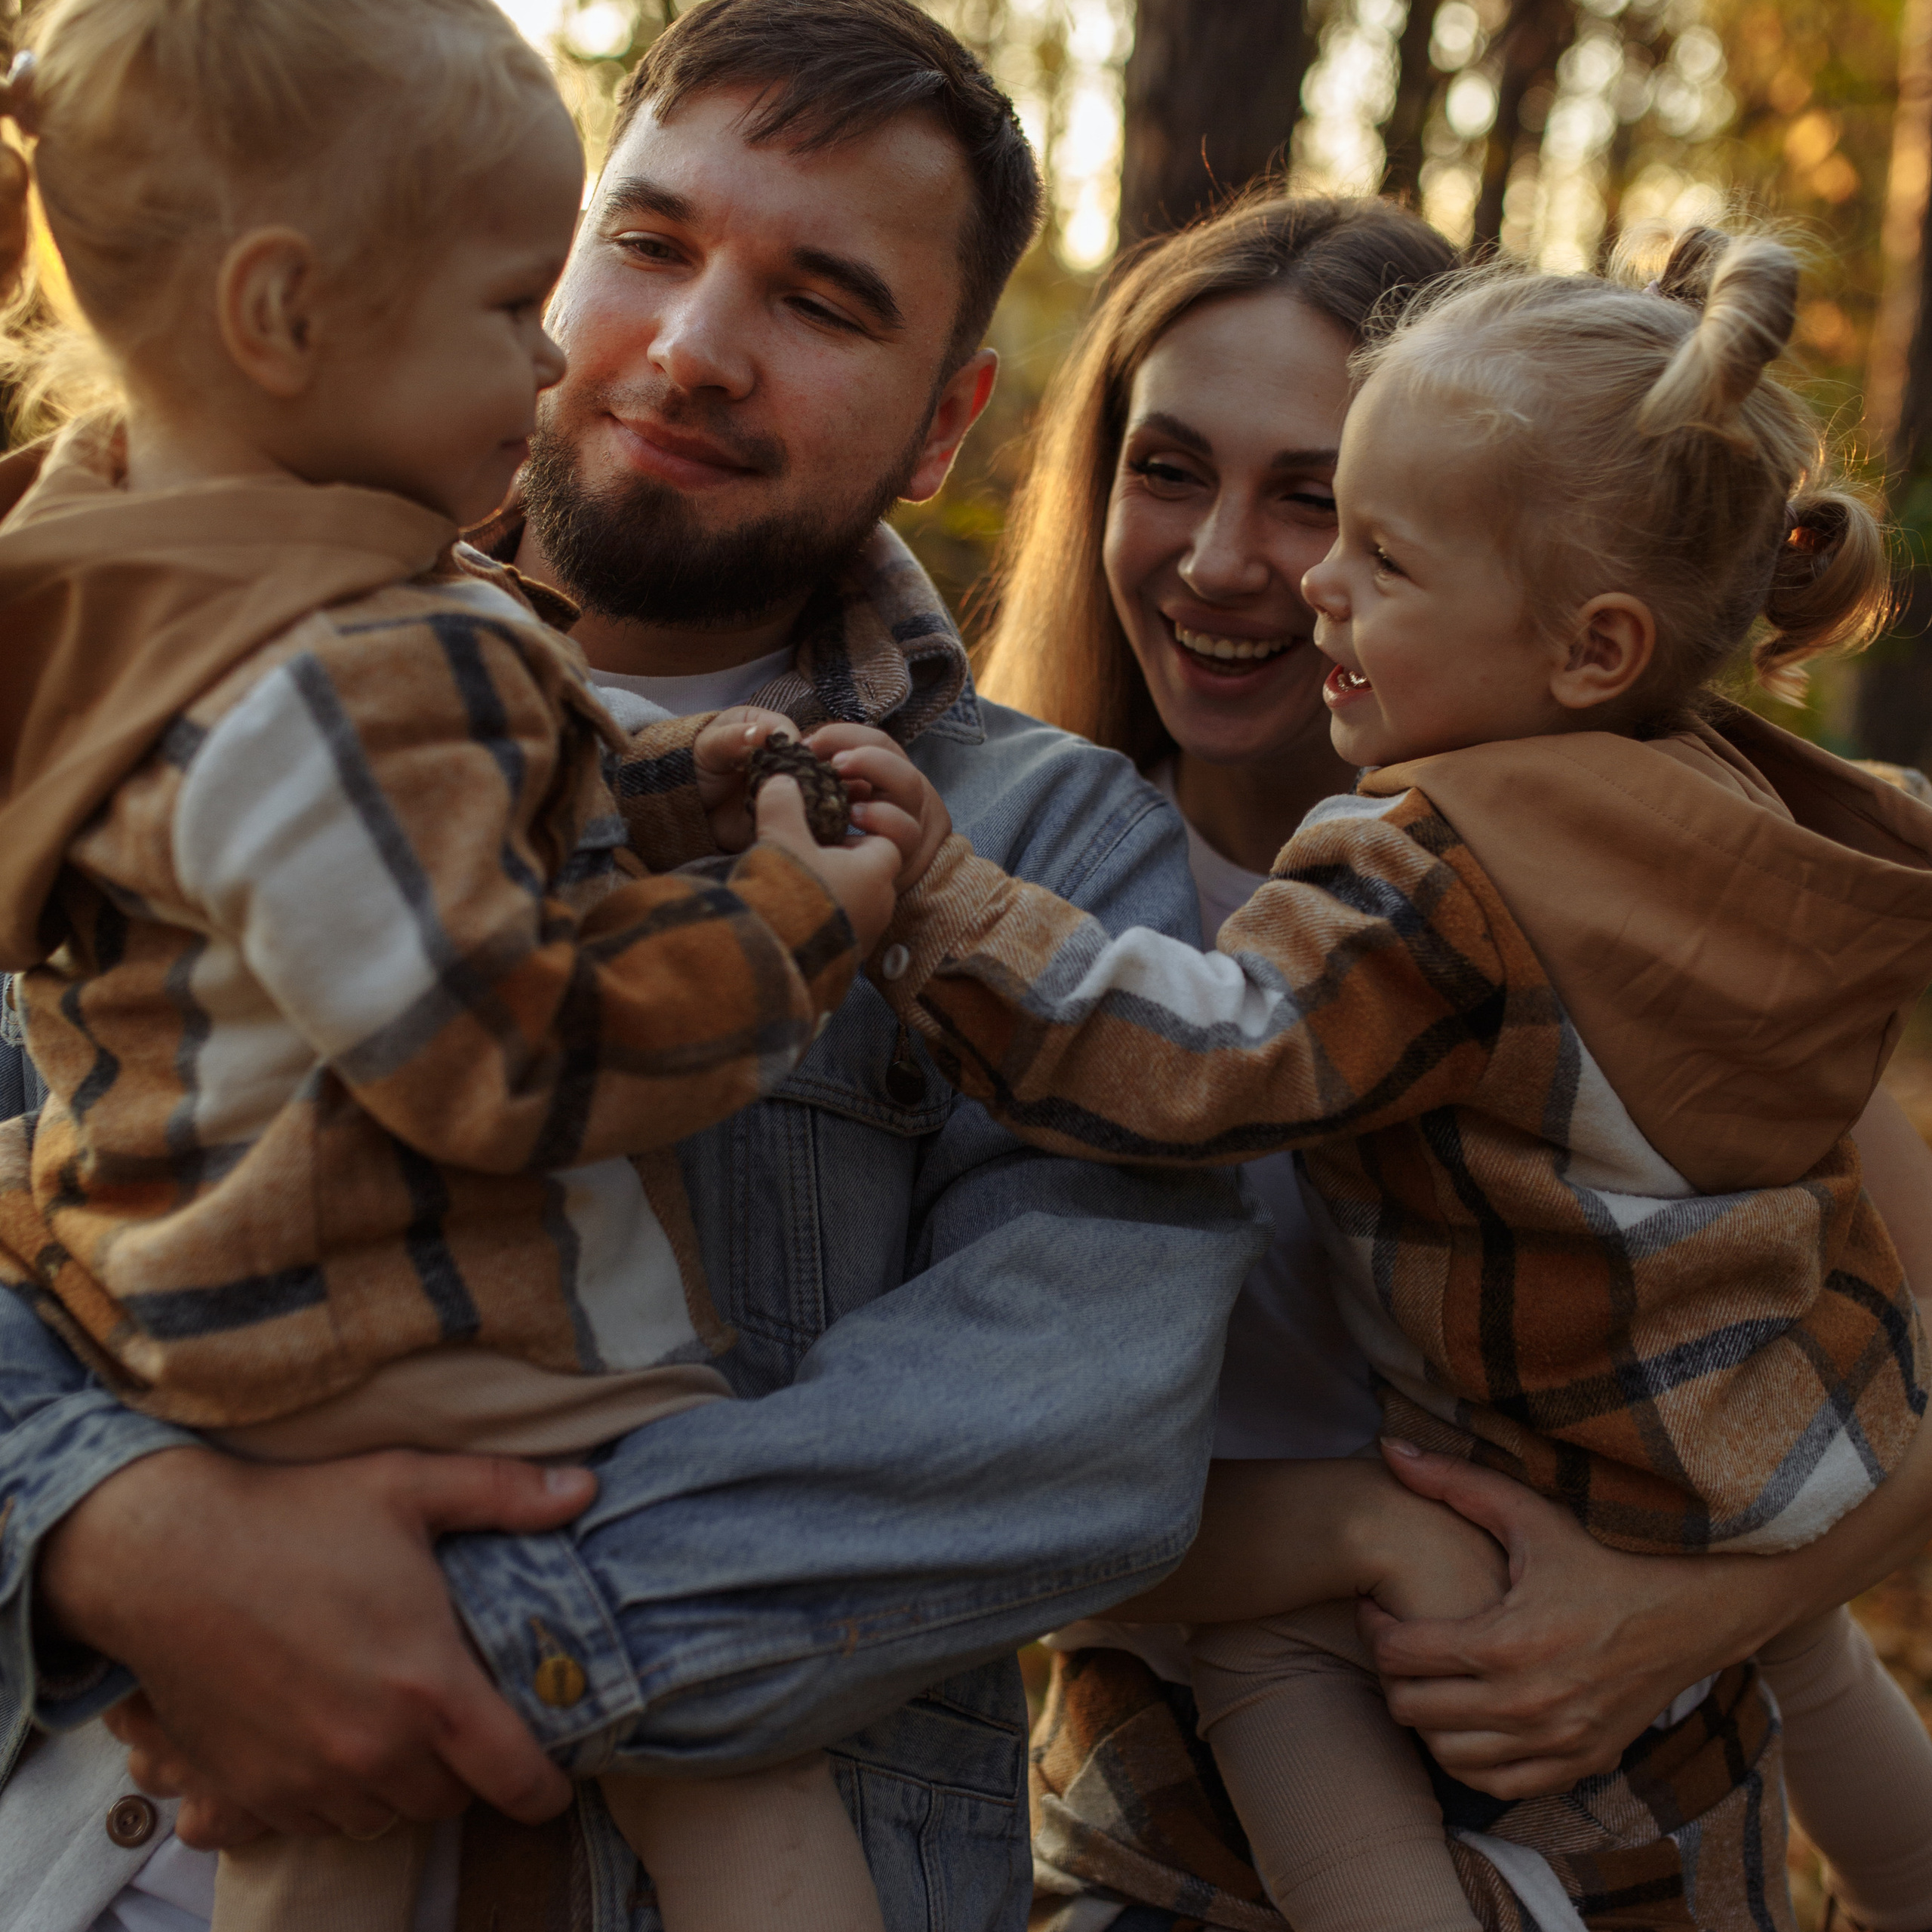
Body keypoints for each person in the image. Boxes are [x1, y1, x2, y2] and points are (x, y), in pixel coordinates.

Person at [0, 3, 1266, 1930]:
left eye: (823, 300)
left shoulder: (1048, 853)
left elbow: (1064, 1419)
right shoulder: (131, 664)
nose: (687, 348)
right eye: (648, 245)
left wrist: (452, 1645)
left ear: (945, 422)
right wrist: (127, 1531)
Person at [872, 226, 1932, 1930]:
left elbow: (1896, 1309)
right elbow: (948, 1494)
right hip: (1191, 1813)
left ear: (1573, 615)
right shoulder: (1028, 865)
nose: (1244, 566)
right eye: (1164, 468)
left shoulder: (1495, 879)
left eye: (1321, 504)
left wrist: (1680, 1612)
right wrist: (1364, 1531)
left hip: (1624, 1780)